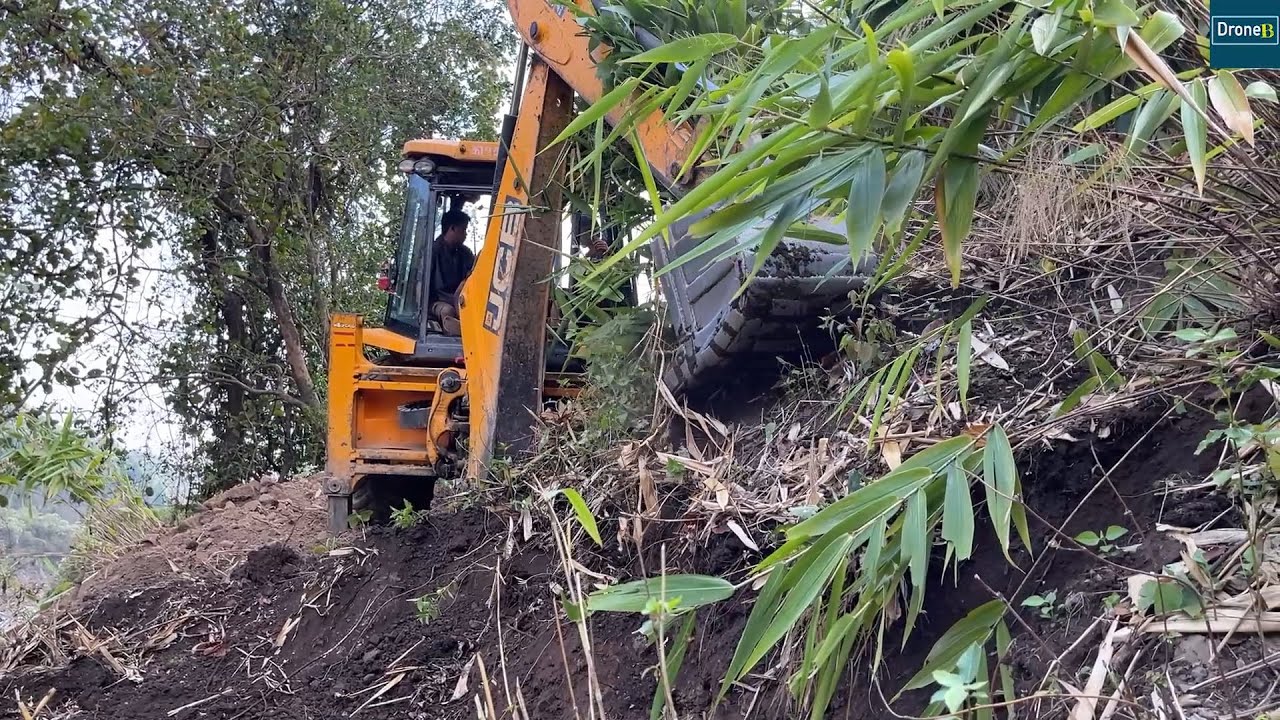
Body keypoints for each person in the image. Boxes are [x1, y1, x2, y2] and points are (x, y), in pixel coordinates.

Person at [429, 209, 474, 336]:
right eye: (463, 230)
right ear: (452, 228)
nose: (466, 234)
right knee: (447, 311)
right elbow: (421, 288)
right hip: (437, 301)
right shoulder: (432, 252)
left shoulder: (465, 253)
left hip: (460, 298)